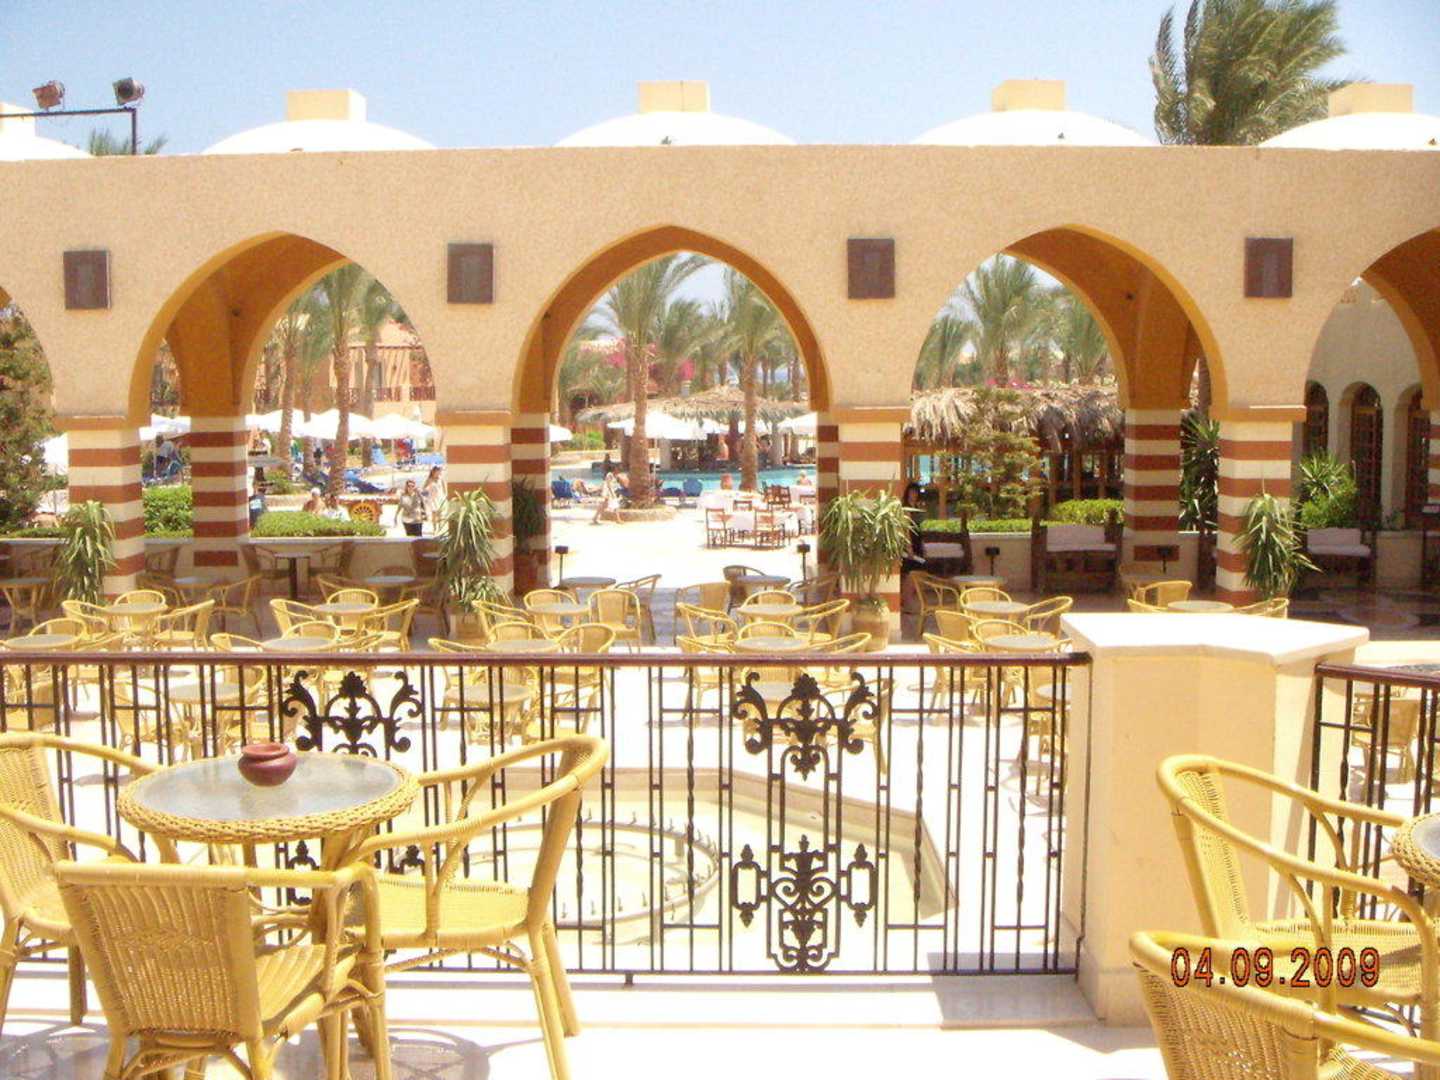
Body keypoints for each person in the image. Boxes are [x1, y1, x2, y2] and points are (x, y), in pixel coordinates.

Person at [421, 465, 446, 531]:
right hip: (432, 499)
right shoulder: (429, 479)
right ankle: (435, 529)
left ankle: (440, 528)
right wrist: (426, 496)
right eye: (436, 471)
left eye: (439, 471)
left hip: (440, 497)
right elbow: (423, 488)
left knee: (440, 514)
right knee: (434, 513)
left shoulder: (441, 479)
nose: (438, 473)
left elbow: (444, 489)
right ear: (433, 472)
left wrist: (445, 497)